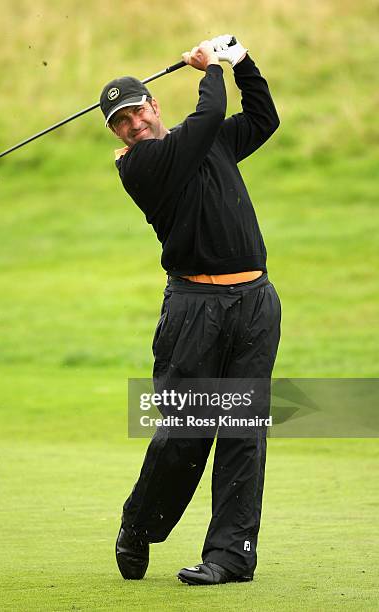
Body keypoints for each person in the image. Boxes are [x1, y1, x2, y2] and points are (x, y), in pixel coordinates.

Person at [99, 35, 281, 586]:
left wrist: (242, 59)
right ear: (116, 135)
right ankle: (140, 526)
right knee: (185, 435)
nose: (131, 125)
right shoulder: (142, 165)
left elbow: (263, 118)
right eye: (119, 123)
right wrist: (209, 69)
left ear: (153, 105)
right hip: (194, 310)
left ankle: (230, 556)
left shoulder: (205, 143)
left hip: (254, 304)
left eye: (135, 112)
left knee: (243, 431)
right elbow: (210, 115)